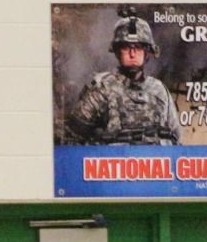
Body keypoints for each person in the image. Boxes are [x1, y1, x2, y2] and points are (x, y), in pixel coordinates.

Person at [66, 10, 182, 146]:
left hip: (154, 164)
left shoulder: (159, 90)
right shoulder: (102, 89)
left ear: (148, 52)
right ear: (117, 51)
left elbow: (176, 139)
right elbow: (72, 139)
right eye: (127, 48)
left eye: (138, 48)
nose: (132, 54)